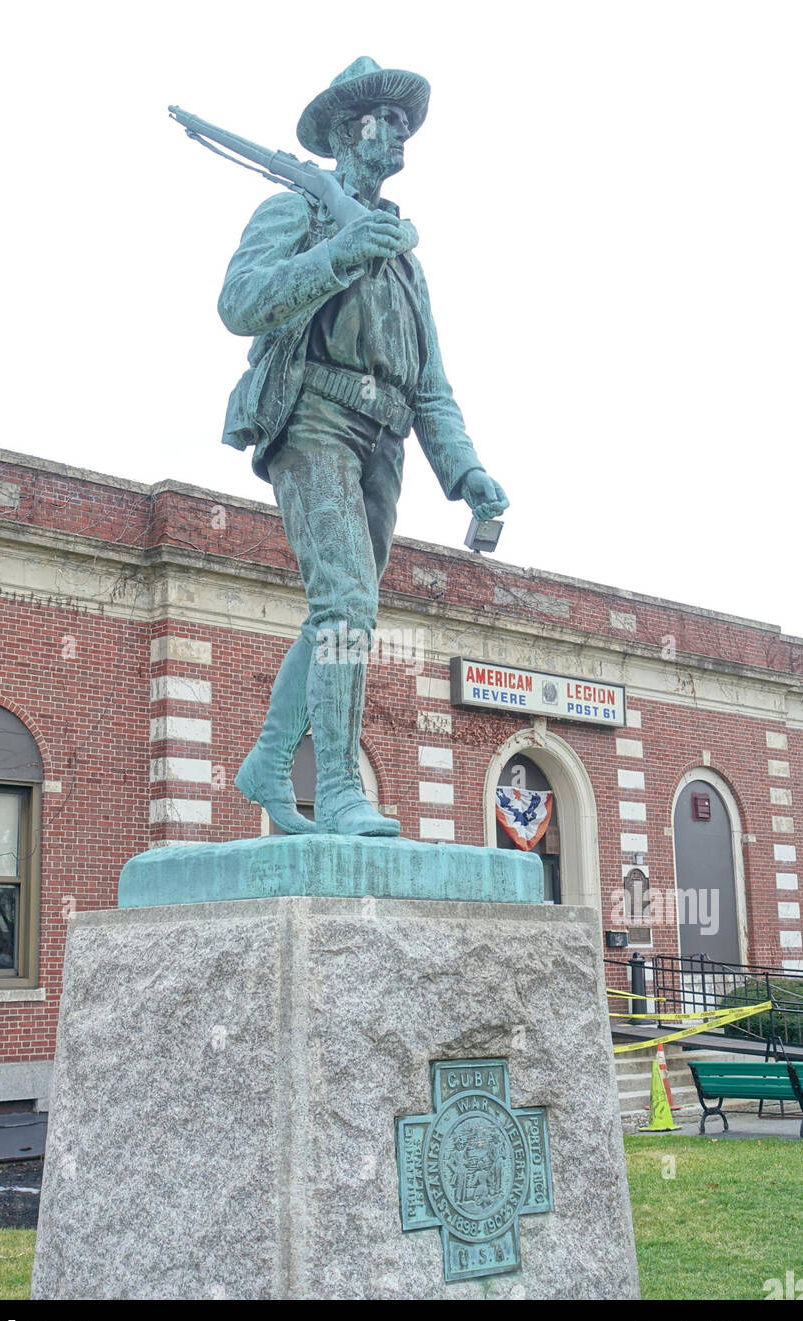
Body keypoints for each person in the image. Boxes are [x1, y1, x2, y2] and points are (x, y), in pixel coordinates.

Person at [219, 57, 509, 836]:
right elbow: (240, 303)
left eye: (406, 122)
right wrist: (339, 252)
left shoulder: (405, 260)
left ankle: (270, 762)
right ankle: (341, 788)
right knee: (346, 603)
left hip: (385, 441)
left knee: (338, 612)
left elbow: (431, 384)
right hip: (312, 416)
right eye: (387, 121)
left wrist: (468, 470)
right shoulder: (300, 214)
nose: (402, 134)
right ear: (349, 135)